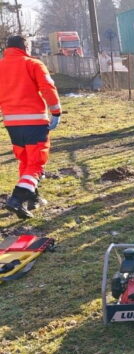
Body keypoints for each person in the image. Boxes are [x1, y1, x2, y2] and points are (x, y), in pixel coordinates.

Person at [0, 35, 62, 219]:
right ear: (25, 47)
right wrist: (56, 112)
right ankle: (17, 199)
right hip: (34, 121)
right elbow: (48, 88)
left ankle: (32, 198)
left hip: (11, 123)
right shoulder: (33, 64)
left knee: (26, 160)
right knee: (36, 163)